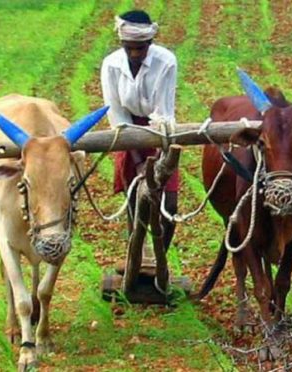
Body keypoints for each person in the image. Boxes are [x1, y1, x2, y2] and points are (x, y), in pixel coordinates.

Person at [101, 9, 179, 254]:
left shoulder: (166, 61)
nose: (135, 54)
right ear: (122, 44)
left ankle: (160, 259)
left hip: (161, 132)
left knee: (169, 204)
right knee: (136, 199)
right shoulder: (111, 65)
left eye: (141, 48)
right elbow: (117, 115)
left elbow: (163, 112)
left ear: (150, 43)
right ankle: (136, 254)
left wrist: (159, 164)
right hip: (127, 133)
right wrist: (137, 162)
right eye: (129, 48)